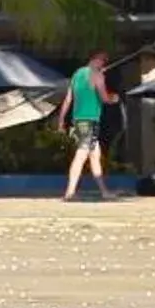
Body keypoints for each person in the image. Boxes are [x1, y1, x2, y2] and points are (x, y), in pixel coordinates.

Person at [61, 50, 117, 201]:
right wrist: (114, 98)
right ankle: (70, 192)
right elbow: (105, 98)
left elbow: (68, 99)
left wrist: (61, 120)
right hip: (89, 120)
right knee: (81, 155)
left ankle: (104, 192)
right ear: (97, 59)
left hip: (78, 120)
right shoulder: (98, 75)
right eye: (103, 60)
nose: (103, 63)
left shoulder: (77, 74)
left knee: (95, 156)